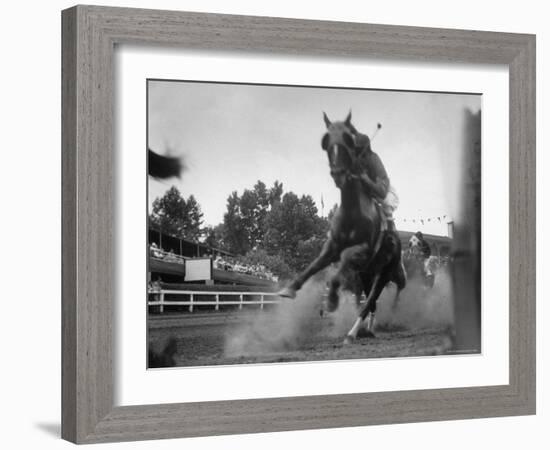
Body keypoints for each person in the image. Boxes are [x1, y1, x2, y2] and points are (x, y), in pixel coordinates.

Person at [350, 131, 399, 232]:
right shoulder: (356, 160)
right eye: (356, 150)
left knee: (387, 203)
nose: (358, 153)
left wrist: (367, 180)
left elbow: (381, 191)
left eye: (360, 150)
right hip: (367, 193)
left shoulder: (374, 160)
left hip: (384, 191)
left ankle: (390, 230)